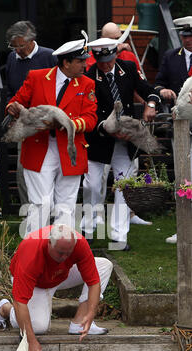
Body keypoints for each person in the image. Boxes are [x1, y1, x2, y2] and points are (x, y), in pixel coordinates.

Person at [6, 32, 97, 235]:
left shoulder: (87, 84)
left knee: (67, 204)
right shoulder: (37, 77)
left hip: (70, 150)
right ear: (66, 62)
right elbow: (17, 101)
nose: (85, 66)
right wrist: (11, 107)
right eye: (81, 61)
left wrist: (64, 123)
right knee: (40, 203)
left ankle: (61, 252)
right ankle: (34, 249)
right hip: (39, 148)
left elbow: (90, 119)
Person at [0, 224, 113, 351]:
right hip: (36, 283)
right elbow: (20, 302)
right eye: (60, 253)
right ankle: (5, 309)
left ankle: (80, 323)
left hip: (61, 274)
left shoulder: (79, 243)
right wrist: (30, 341)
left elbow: (94, 282)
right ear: (49, 243)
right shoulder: (30, 252)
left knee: (104, 266)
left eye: (68, 253)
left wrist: (91, 312)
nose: (64, 257)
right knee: (38, 328)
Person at [81, 37, 161, 250]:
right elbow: (90, 113)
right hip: (99, 140)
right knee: (91, 185)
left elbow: (146, 88)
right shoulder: (89, 77)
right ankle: (87, 230)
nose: (107, 65)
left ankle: (119, 236)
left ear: (116, 54)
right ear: (95, 59)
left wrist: (150, 104)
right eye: (103, 61)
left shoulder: (128, 68)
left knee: (124, 187)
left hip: (126, 142)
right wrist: (109, 130)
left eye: (110, 59)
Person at [5, 21, 57, 206]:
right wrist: (11, 108)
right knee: (23, 170)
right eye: (13, 46)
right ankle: (30, 214)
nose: (16, 50)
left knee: (49, 171)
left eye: (20, 46)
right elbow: (10, 90)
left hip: (49, 124)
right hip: (24, 123)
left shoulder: (50, 56)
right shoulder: (12, 59)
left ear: (31, 40)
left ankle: (53, 215)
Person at [154, 16, 192, 244]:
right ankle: (184, 228)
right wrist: (164, 91)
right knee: (183, 176)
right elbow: (157, 83)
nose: (188, 40)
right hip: (180, 126)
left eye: (191, 36)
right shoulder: (171, 57)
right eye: (185, 36)